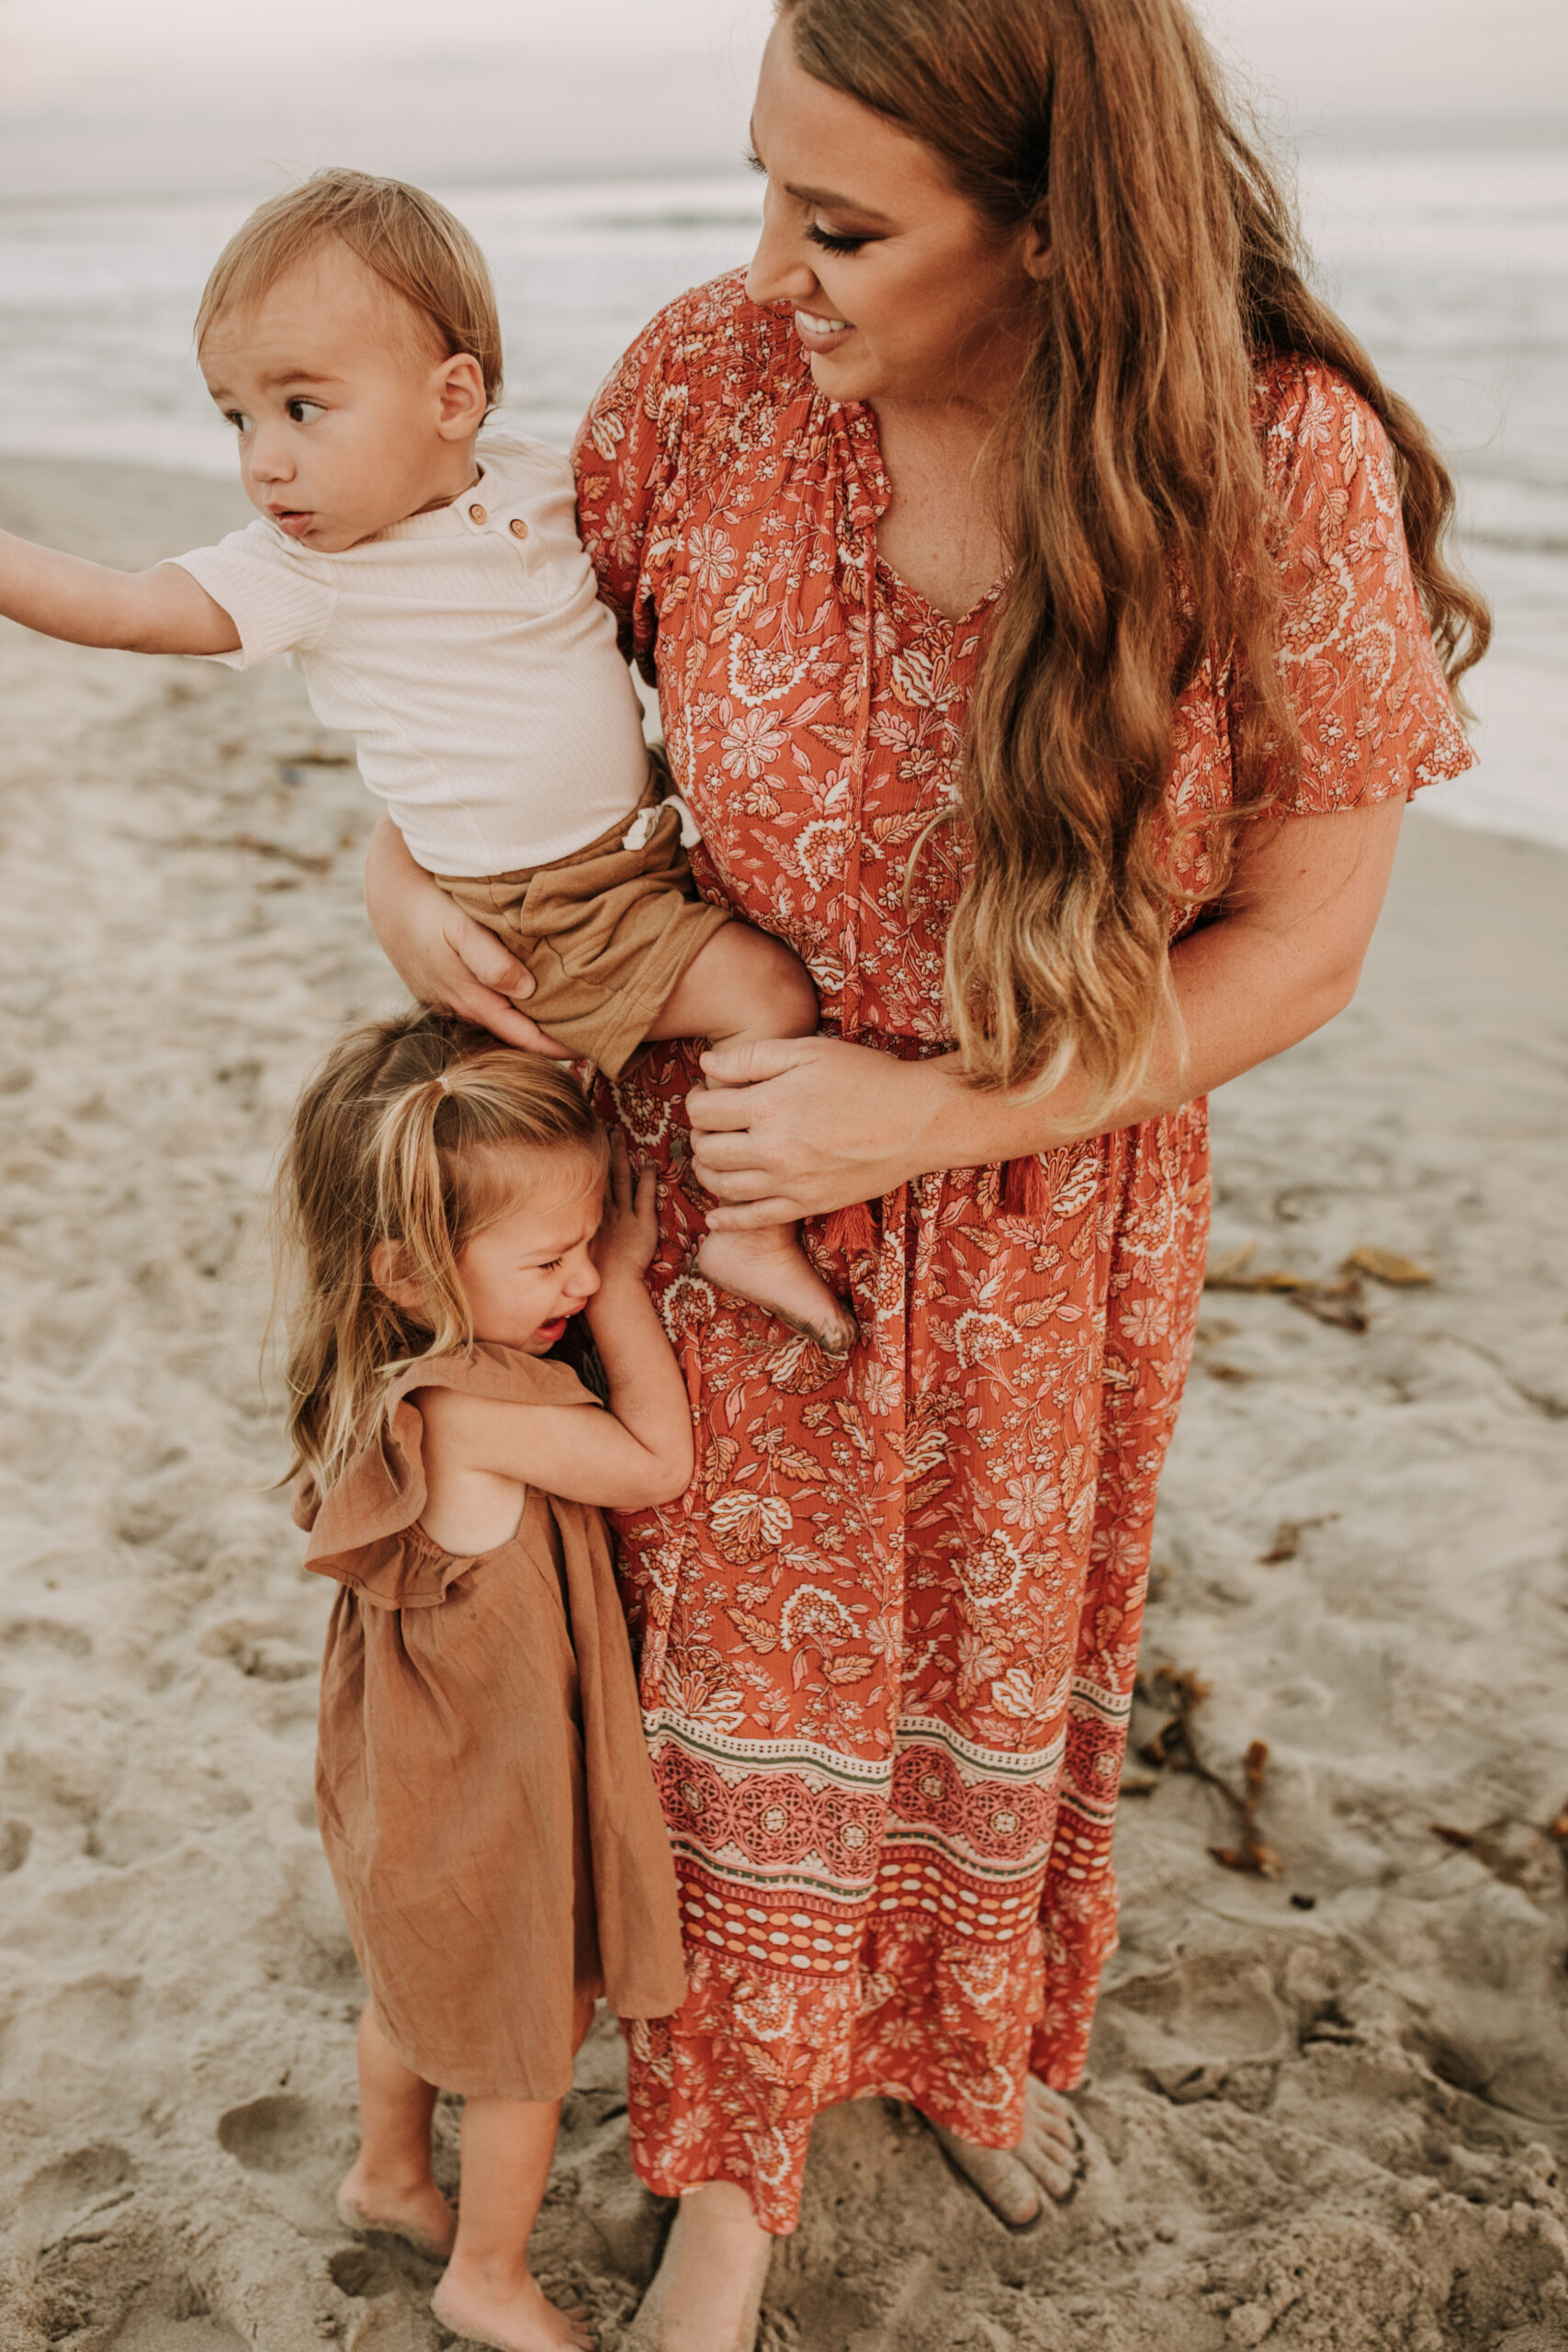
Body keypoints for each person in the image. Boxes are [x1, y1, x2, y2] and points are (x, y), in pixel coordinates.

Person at [364, 0, 1490, 2345]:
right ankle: (733, 2166)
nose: (767, 261)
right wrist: (405, 875)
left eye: (843, 220)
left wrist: (950, 1108)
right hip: (715, 1180)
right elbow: (497, 679)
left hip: (1043, 1210)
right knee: (725, 1693)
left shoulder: (1279, 463)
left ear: (1063, 226)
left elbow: (1302, 944)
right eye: (763, 186)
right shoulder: (709, 387)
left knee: (998, 1657)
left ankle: (959, 2036)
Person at [0, 169, 855, 1354]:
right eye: (237, 418)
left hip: (637, 853)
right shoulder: (303, 571)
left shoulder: (538, 479)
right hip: (544, 911)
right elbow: (132, 606)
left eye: (304, 408)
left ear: (454, 397)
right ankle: (751, 1227)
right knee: (767, 996)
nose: (264, 462)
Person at [276, 1007, 693, 2352]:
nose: (575, 1273)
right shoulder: (477, 1415)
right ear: (408, 1270)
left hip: (420, 1777)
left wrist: (565, 1261)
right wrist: (627, 1284)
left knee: (411, 1986)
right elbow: (654, 1468)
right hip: (492, 1787)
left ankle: (391, 2177)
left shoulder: (399, 1377)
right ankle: (490, 2277)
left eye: (584, 1248)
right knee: (525, 2029)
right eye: (551, 1257)